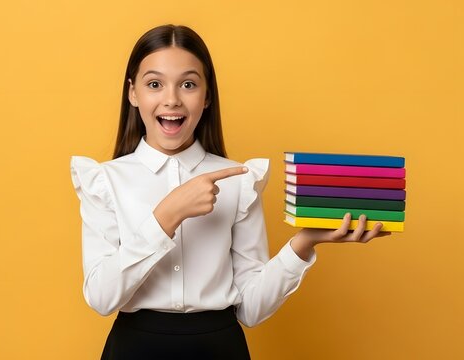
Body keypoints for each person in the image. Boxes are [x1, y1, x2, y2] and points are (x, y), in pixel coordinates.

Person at [70, 24, 389, 360]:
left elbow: (251, 309)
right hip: (134, 349)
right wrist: (167, 215)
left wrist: (303, 243)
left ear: (207, 96)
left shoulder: (239, 179)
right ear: (133, 93)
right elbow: (102, 298)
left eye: (189, 84)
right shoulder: (104, 181)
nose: (172, 99)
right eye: (154, 84)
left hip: (220, 349)